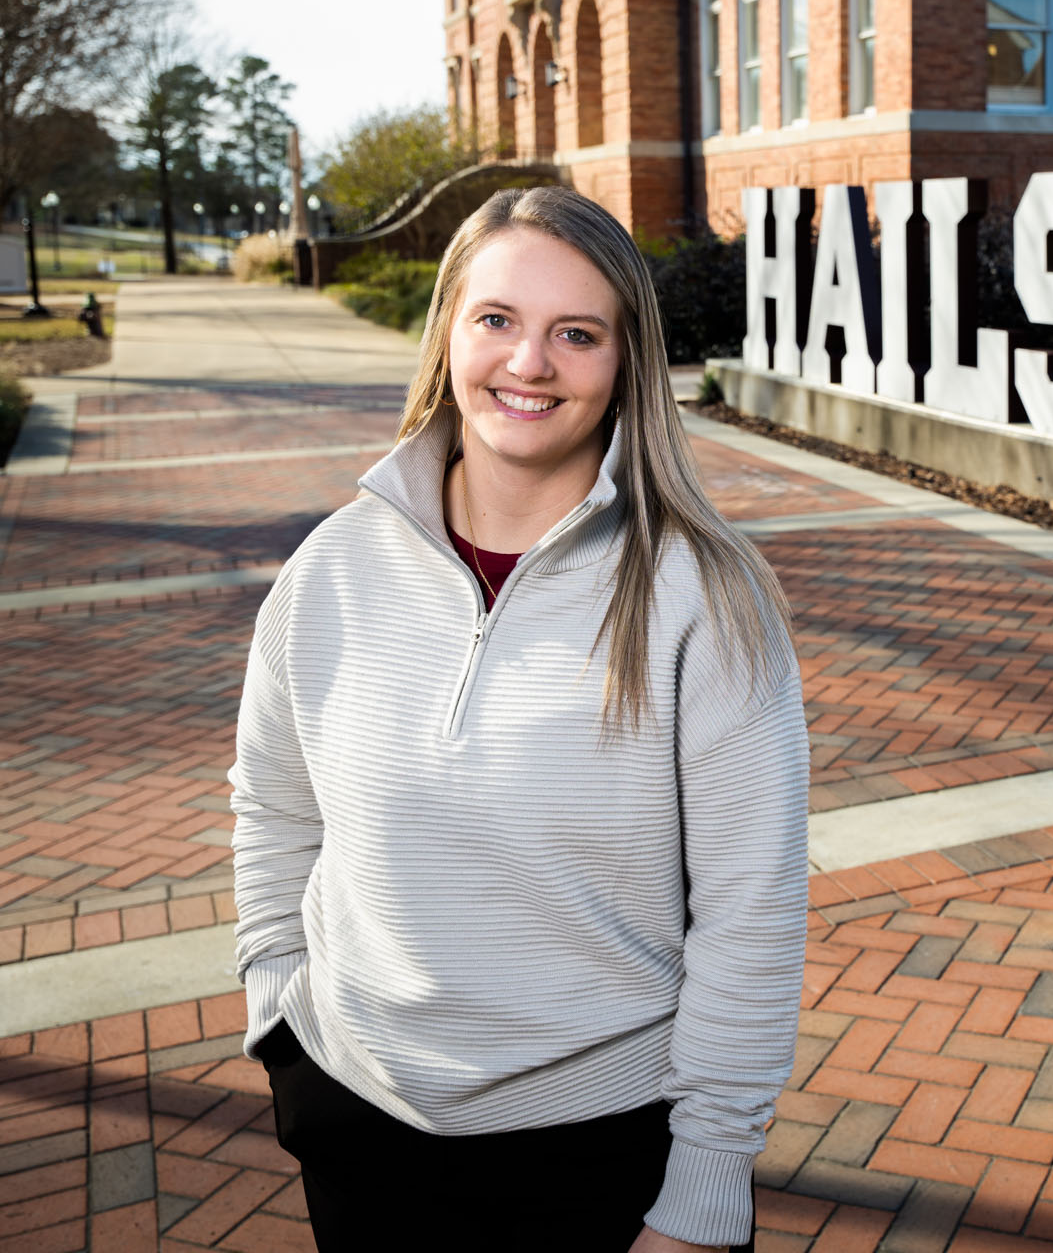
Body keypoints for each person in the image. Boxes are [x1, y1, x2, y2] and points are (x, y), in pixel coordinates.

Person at [228, 187, 808, 1252]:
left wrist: (707, 1180)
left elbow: (751, 911)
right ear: (449, 327)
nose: (528, 363)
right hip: (359, 1121)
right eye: (497, 319)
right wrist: (281, 1014)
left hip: (600, 1155)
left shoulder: (705, 595)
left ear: (626, 360)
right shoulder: (333, 568)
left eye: (575, 333)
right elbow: (273, 805)